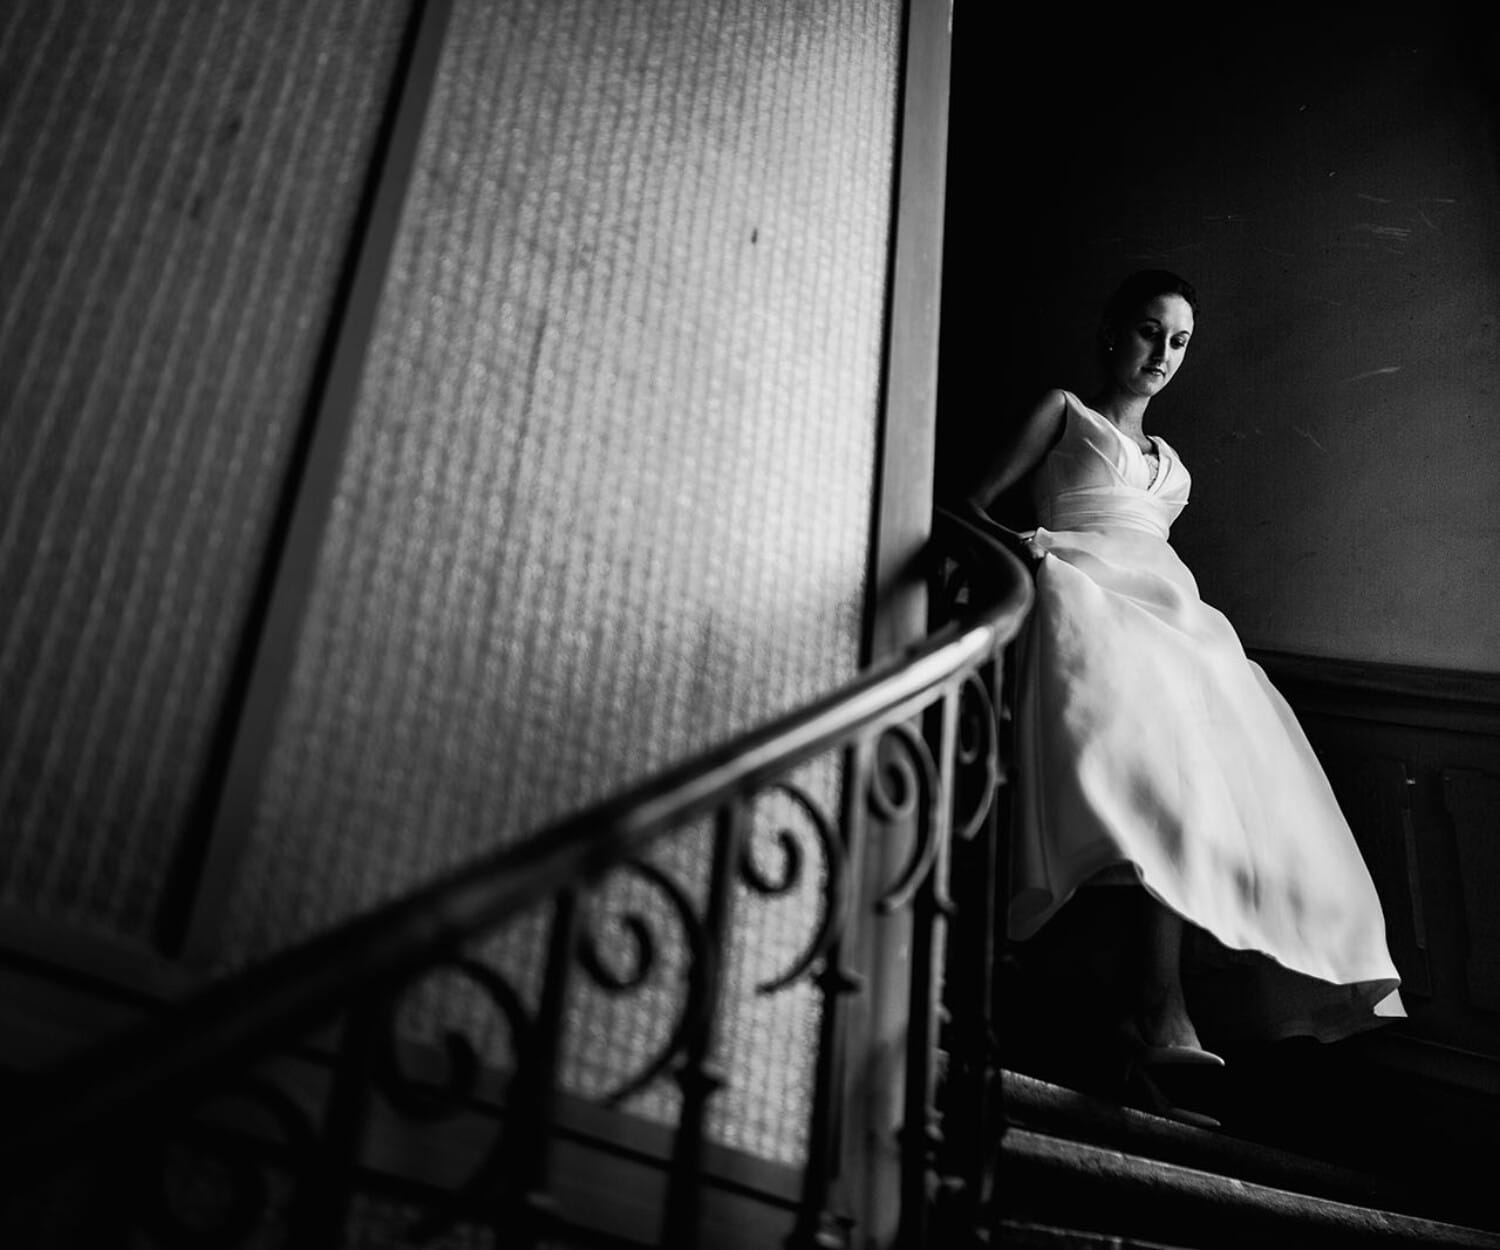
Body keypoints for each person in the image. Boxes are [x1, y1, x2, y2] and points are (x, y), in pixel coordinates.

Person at [960, 270, 1403, 1125]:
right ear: (1109, 333)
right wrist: (1035, 559)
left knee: (1212, 764)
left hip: (1172, 615)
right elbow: (971, 506)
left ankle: (1155, 1010)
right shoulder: (1065, 412)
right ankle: (1152, 1013)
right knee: (1143, 732)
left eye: (1180, 342)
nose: (1162, 355)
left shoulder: (1175, 470)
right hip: (1081, 588)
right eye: (1148, 332)